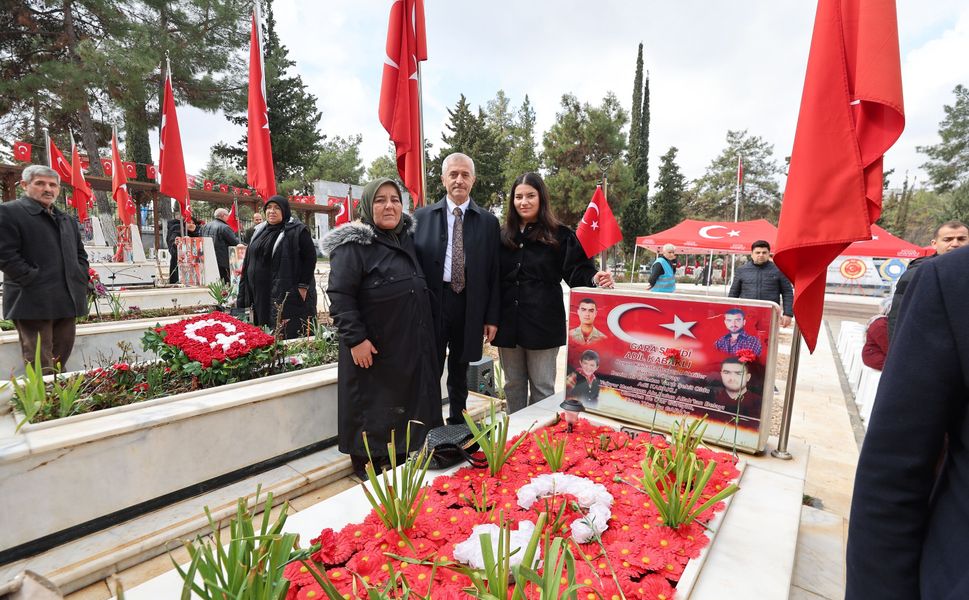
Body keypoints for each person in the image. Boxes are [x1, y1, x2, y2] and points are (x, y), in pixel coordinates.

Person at [846, 245, 969, 598]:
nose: (955, 243)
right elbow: (893, 466)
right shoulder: (949, 280)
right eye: (949, 238)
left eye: (961, 236)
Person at [323, 178, 442, 477]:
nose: (389, 206)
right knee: (371, 408)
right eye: (380, 200)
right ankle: (368, 465)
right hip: (371, 348)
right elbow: (340, 295)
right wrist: (356, 339)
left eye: (395, 200)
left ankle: (399, 458)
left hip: (402, 346)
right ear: (367, 206)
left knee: (399, 407)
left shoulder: (406, 240)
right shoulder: (354, 246)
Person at [492, 172, 614, 413]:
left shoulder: (560, 235)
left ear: (541, 198)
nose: (523, 202)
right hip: (508, 323)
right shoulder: (503, 235)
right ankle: (513, 435)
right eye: (518, 197)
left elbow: (577, 271)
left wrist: (593, 277)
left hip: (543, 324)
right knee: (512, 384)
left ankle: (536, 441)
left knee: (542, 387)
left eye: (530, 196)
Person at [413, 152, 501, 424]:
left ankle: (458, 423)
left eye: (465, 175)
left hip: (469, 305)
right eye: (453, 174)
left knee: (460, 369)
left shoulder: (488, 222)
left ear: (473, 180)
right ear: (443, 179)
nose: (459, 180)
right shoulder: (421, 217)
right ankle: (429, 425)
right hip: (433, 304)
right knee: (430, 367)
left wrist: (491, 317)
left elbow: (494, 273)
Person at [0, 165, 89, 371]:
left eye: (53, 185)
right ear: (24, 185)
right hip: (31, 299)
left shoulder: (66, 219)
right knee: (40, 362)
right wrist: (31, 278)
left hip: (66, 299)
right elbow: (5, 254)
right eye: (40, 183)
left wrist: (80, 275)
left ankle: (60, 399)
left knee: (61, 358)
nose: (48, 189)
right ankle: (42, 401)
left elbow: (80, 254)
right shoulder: (9, 212)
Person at [236, 195, 317, 339]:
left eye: (277, 208)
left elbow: (310, 258)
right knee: (262, 325)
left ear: (285, 210)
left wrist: (303, 286)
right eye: (268, 208)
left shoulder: (297, 231)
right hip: (259, 291)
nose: (272, 211)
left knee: (283, 327)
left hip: (284, 288)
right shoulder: (260, 230)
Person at [886, 220, 967, 341]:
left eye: (961, 239)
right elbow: (898, 317)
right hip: (931, 350)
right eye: (947, 239)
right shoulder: (916, 274)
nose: (955, 244)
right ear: (934, 244)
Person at [728, 240, 794, 328]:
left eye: (764, 252)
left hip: (770, 315)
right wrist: (729, 311)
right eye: (757, 252)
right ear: (752, 254)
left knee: (768, 341)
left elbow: (787, 292)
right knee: (746, 340)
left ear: (769, 254)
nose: (761, 255)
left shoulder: (779, 270)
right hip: (746, 315)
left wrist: (788, 314)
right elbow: (733, 293)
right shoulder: (742, 270)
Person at [199, 207, 240, 282]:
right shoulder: (225, 227)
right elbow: (235, 242)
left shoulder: (205, 226)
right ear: (223, 215)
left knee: (214, 282)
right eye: (227, 215)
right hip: (223, 260)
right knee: (225, 281)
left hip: (209, 259)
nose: (228, 217)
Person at [165, 216, 197, 284]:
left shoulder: (194, 231)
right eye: (189, 222)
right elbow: (173, 242)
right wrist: (176, 243)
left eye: (193, 223)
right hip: (178, 261)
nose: (191, 224)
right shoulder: (177, 229)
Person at [861, 298, 890, 371]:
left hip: (874, 355)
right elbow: (887, 348)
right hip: (875, 357)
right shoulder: (881, 324)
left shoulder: (881, 321)